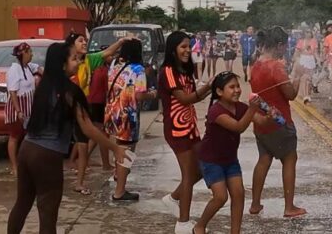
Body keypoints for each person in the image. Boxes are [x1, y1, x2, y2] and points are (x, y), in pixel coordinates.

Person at [7, 43, 126, 234]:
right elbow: (87, 128)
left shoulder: (43, 86)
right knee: (48, 211)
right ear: (62, 64)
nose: (78, 63)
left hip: (26, 149)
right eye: (74, 59)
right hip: (46, 156)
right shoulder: (70, 91)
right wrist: (115, 147)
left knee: (22, 204)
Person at [194, 72, 269, 234]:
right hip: (211, 160)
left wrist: (269, 114)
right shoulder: (216, 111)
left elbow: (260, 121)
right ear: (220, 92)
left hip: (230, 160)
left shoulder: (240, 107)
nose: (236, 90)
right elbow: (238, 127)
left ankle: (235, 232)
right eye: (231, 87)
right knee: (221, 197)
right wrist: (252, 109)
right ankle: (200, 226)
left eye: (238, 86)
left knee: (239, 194)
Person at [249, 27, 308, 218]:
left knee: (264, 159)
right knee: (290, 159)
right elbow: (290, 94)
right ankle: (289, 207)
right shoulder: (275, 67)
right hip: (280, 123)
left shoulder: (256, 64)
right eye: (285, 45)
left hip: (261, 122)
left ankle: (255, 204)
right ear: (280, 45)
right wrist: (298, 76)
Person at [158, 31, 213, 233]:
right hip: (176, 128)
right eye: (183, 46)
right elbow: (185, 99)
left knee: (201, 169)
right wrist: (208, 86)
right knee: (189, 174)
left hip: (190, 127)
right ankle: (183, 223)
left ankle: (173, 198)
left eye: (189, 46)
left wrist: (209, 88)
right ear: (173, 49)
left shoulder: (185, 70)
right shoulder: (168, 71)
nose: (187, 50)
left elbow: (193, 97)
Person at [64, 32, 127, 196]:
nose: (84, 43)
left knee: (84, 144)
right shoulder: (63, 61)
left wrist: (120, 42)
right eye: (80, 41)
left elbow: (106, 53)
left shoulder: (88, 60)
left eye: (85, 40)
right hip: (66, 107)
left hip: (81, 106)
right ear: (71, 45)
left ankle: (79, 182)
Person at [105, 38, 158, 201]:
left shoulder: (114, 65)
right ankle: (120, 191)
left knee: (120, 146)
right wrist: (152, 94)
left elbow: (107, 56)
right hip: (128, 116)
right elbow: (139, 95)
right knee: (127, 151)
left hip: (112, 112)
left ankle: (117, 174)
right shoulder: (138, 69)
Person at [5, 42, 42, 176]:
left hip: (29, 107)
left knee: (28, 137)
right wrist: (19, 111)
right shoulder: (14, 70)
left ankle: (27, 164)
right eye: (30, 52)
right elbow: (13, 93)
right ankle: (14, 167)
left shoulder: (28, 67)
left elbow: (39, 68)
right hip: (18, 108)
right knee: (15, 136)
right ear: (23, 54)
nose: (32, 54)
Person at [86, 46, 114, 172]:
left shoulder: (100, 69)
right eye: (109, 55)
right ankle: (105, 164)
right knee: (101, 134)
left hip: (95, 102)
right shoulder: (101, 70)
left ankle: (84, 159)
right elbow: (106, 90)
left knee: (98, 134)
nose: (111, 57)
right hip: (98, 103)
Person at [294, 30, 318, 104]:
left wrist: (318, 60)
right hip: (303, 59)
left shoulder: (314, 41)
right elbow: (297, 53)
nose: (308, 34)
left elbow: (315, 53)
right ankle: (305, 95)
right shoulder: (301, 41)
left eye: (309, 32)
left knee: (309, 79)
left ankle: (308, 93)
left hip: (311, 60)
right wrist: (297, 60)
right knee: (304, 77)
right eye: (306, 32)